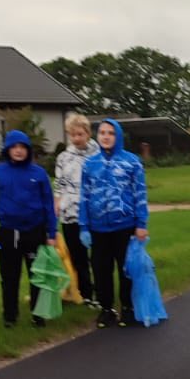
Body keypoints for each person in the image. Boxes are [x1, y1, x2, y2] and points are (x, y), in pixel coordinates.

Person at [0, 129, 58, 327]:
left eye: (22, 147)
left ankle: (38, 314)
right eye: (14, 147)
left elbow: (48, 204)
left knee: (37, 275)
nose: (18, 150)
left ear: (28, 150)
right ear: (7, 149)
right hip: (8, 232)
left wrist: (52, 233)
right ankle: (10, 316)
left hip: (35, 231)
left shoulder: (38, 173)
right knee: (9, 277)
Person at [78, 118, 149, 328]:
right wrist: (84, 226)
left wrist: (141, 223)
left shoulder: (132, 162)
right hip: (98, 227)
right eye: (102, 133)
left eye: (111, 133)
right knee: (101, 270)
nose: (106, 137)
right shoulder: (90, 164)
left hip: (125, 226)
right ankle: (106, 309)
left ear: (118, 136)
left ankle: (128, 308)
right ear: (97, 136)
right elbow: (84, 196)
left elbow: (140, 194)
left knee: (126, 269)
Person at [53, 112, 97, 307]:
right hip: (70, 215)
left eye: (80, 134)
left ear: (88, 133)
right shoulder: (63, 157)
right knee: (77, 255)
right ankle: (83, 292)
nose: (76, 138)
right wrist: (57, 202)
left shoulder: (97, 156)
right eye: (72, 135)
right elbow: (59, 182)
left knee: (96, 255)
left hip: (93, 213)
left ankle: (99, 291)